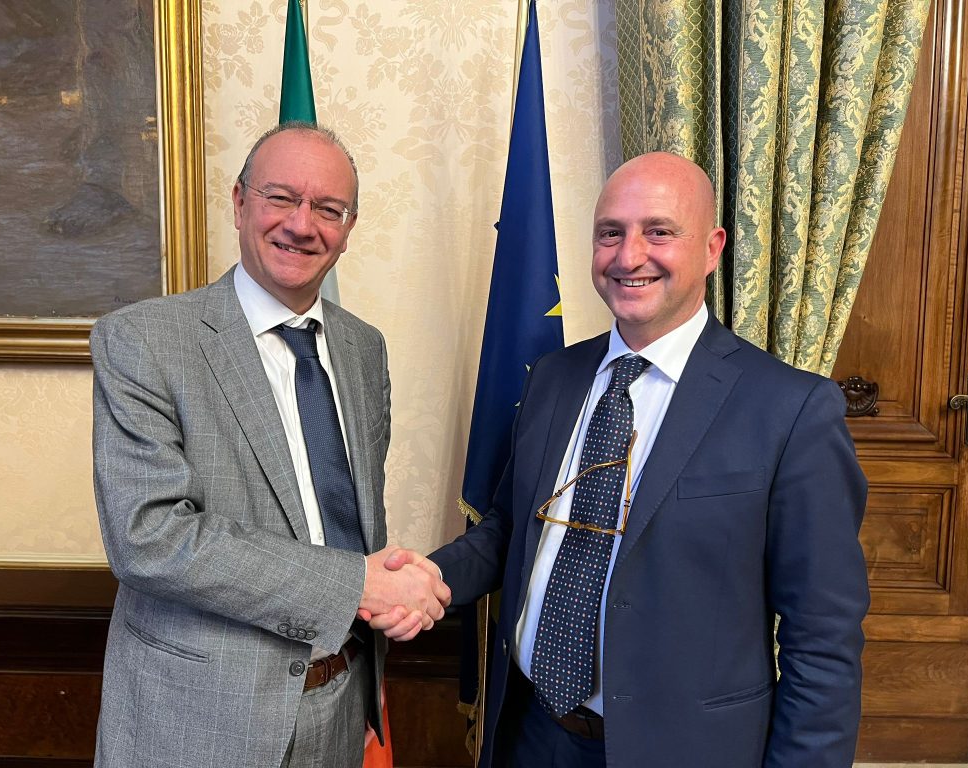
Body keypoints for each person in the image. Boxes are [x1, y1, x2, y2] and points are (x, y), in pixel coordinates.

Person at [373, 152, 870, 767]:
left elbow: (822, 639)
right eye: (611, 232)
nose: (629, 256)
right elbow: (508, 530)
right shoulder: (554, 377)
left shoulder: (791, 408)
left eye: (659, 232)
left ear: (712, 249)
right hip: (531, 732)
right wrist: (428, 579)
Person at [90, 122, 450, 768]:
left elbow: (345, 521)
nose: (302, 225)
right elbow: (149, 538)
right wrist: (358, 585)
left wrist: (391, 593)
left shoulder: (363, 349)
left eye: (328, 209)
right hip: (200, 723)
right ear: (239, 203)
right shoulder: (143, 341)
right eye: (281, 198)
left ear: (349, 227)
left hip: (340, 709)